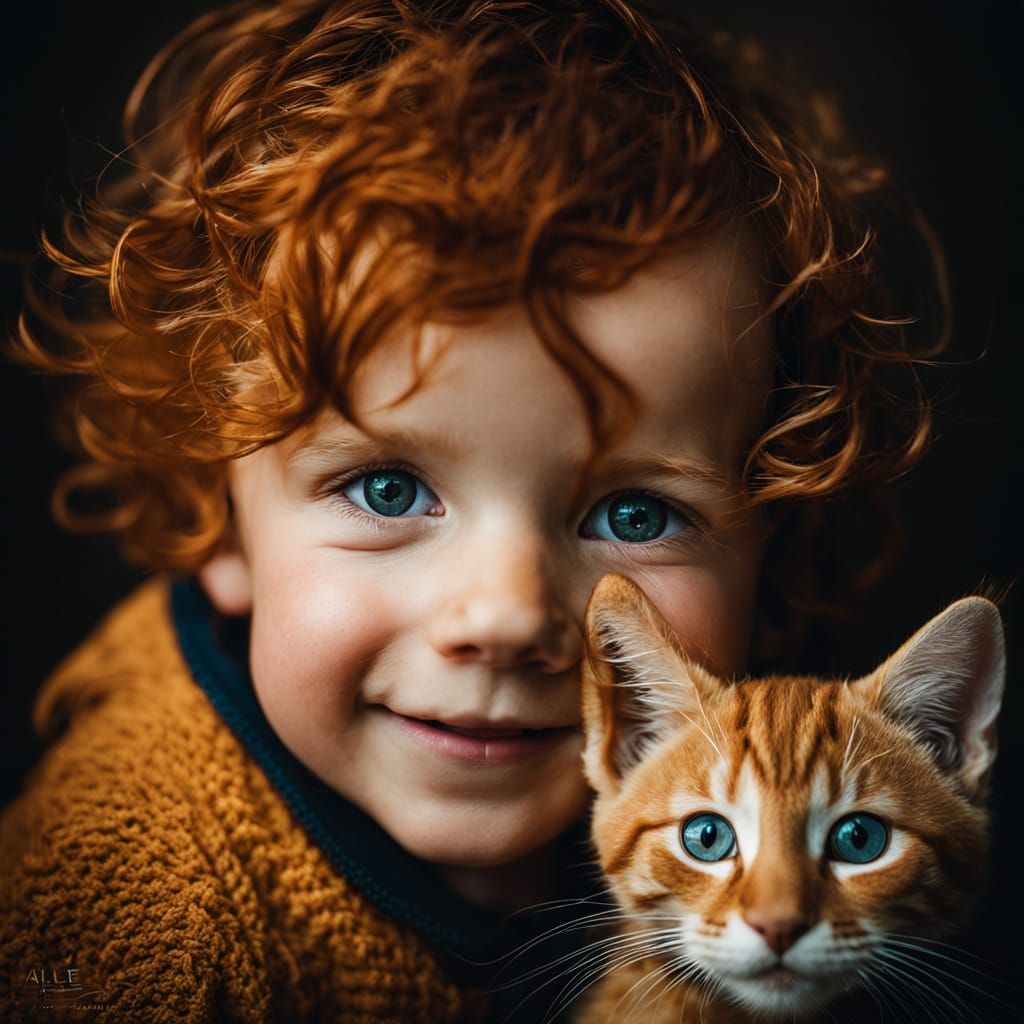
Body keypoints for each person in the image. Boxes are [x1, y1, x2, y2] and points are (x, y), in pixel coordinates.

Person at [0, 1, 943, 1020]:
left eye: (632, 513)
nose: (503, 615)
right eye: (388, 488)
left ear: (770, 529)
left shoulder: (765, 797)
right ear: (216, 518)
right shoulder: (137, 922)